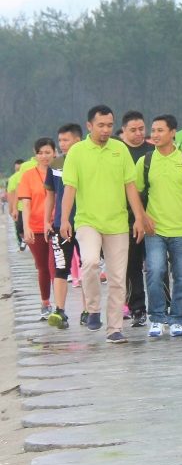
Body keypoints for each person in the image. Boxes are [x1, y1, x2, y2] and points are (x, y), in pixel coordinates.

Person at [60, 105, 148, 344]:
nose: (106, 129)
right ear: (89, 126)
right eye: (101, 125)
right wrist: (64, 218)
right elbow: (70, 188)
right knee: (89, 262)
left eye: (110, 125)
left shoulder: (120, 149)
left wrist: (139, 218)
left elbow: (130, 186)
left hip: (118, 223)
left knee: (118, 278)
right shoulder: (77, 152)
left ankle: (114, 328)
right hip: (87, 221)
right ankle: (93, 308)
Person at [136, 115, 182, 337]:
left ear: (172, 132)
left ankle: (177, 319)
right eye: (153, 130)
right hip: (154, 230)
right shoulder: (145, 161)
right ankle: (157, 318)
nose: (154, 135)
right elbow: (135, 192)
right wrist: (141, 218)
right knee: (155, 272)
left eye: (160, 130)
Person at [43, 124, 85, 329]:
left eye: (66, 140)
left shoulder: (88, 160)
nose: (62, 144)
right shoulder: (55, 164)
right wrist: (47, 221)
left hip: (87, 223)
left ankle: (89, 310)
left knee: (89, 267)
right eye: (60, 141)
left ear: (78, 140)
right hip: (61, 224)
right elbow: (50, 195)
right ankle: (60, 310)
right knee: (61, 268)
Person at [119, 110, 154, 327]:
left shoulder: (152, 151)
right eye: (133, 130)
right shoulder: (118, 152)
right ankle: (137, 308)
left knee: (157, 265)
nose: (138, 133)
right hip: (126, 219)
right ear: (123, 131)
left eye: (141, 128)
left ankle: (161, 306)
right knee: (131, 266)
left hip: (153, 217)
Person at [18, 138, 57, 319]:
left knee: (56, 265)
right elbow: (26, 204)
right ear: (35, 155)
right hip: (36, 226)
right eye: (40, 153)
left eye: (47, 152)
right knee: (43, 267)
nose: (44, 156)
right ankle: (45, 303)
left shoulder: (60, 172)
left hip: (57, 225)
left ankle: (61, 305)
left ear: (54, 152)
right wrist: (26, 227)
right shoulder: (28, 176)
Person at [8, 157, 37, 251]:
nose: (18, 171)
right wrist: (13, 208)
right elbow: (12, 193)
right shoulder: (12, 178)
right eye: (17, 170)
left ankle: (27, 242)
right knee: (20, 228)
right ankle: (24, 241)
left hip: (35, 205)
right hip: (22, 206)